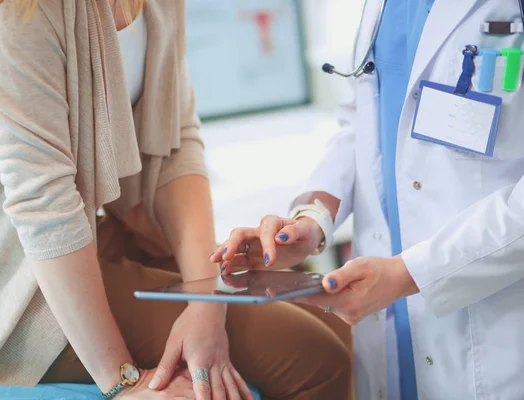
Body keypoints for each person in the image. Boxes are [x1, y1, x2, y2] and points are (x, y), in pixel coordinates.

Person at [0, 0, 353, 399]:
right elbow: (45, 208)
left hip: (88, 232)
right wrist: (122, 381)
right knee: (317, 358)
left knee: (335, 321)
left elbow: (177, 141)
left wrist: (205, 302)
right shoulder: (12, 13)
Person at [213, 0, 524, 399]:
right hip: (392, 322)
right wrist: (312, 219)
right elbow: (364, 122)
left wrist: (409, 274)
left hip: (497, 330)